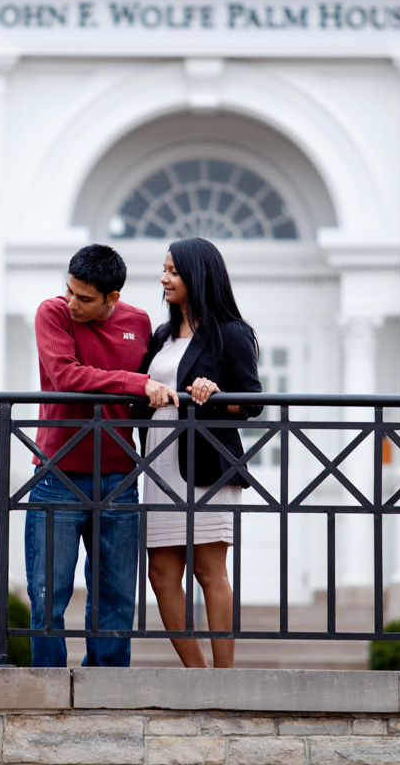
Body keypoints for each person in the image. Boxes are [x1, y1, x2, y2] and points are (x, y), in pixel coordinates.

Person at [25, 243, 179, 667]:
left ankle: (108, 690)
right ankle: (50, 687)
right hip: (58, 474)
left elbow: (154, 385)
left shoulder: (139, 322)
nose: (73, 302)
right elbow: (65, 375)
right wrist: (135, 383)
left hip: (120, 477)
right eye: (70, 290)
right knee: (47, 594)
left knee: (116, 596)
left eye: (85, 298)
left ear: (113, 298)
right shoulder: (52, 312)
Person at [140, 237, 262, 668]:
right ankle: (197, 673)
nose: (164, 278)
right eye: (164, 269)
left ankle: (225, 678)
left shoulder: (231, 333)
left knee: (209, 572)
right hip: (160, 462)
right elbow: (141, 393)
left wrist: (213, 392)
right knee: (161, 575)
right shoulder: (162, 335)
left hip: (207, 462)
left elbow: (250, 402)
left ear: (198, 275)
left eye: (173, 271)